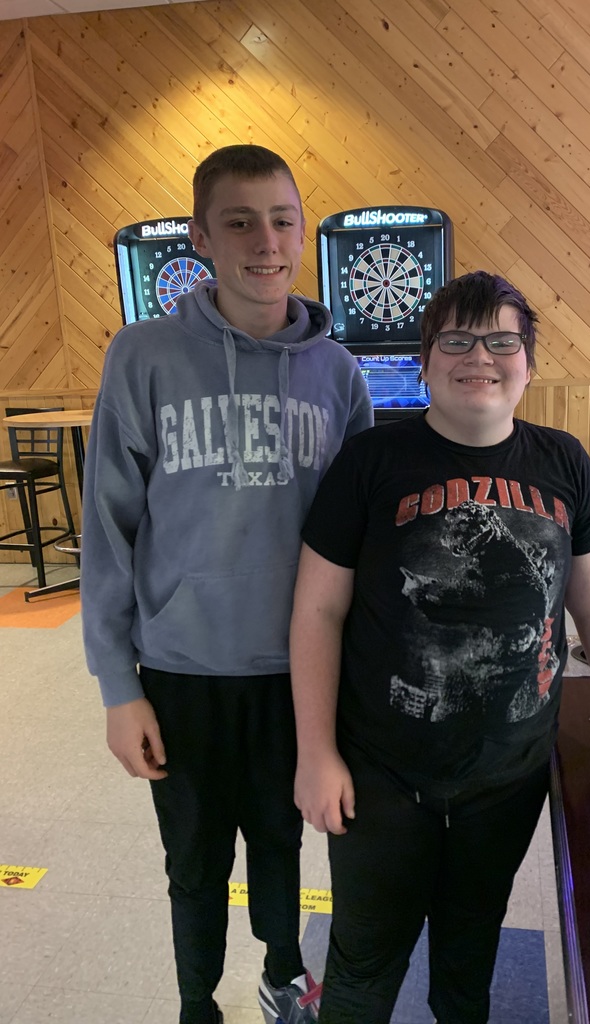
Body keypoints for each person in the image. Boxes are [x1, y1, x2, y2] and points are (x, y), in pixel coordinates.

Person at [289, 271, 590, 1024]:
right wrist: (315, 753)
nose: (481, 357)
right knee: (365, 961)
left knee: (469, 960)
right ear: (427, 361)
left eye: (502, 340)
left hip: (506, 772)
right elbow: (317, 611)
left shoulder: (563, 462)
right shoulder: (372, 461)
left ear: (528, 363)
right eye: (458, 340)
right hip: (382, 765)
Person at [80, 144, 374, 1024]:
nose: (265, 240)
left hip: (299, 670)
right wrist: (116, 685)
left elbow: (360, 539)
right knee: (196, 859)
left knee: (282, 840)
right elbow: (108, 530)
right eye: (239, 221)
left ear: (302, 233)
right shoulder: (143, 356)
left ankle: (284, 972)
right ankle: (193, 999)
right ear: (202, 238)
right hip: (181, 668)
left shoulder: (338, 373)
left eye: (282, 219)